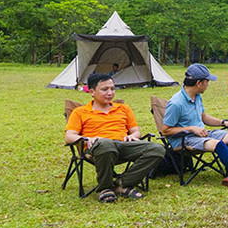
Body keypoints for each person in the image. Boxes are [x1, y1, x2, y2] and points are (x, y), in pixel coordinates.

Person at [64, 73, 165, 203]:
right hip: (97, 147)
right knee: (106, 144)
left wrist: (132, 136)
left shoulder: (123, 108)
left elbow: (136, 132)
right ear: (92, 92)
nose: (110, 93)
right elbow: (69, 136)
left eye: (112, 89)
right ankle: (105, 188)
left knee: (157, 149)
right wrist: (86, 138)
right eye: (104, 89)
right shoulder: (80, 112)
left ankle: (121, 184)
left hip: (122, 144)